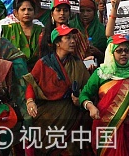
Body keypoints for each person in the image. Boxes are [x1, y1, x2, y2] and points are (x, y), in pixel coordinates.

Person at [26, 25, 92, 156]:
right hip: (47, 117)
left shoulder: (78, 64)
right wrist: (30, 101)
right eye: (68, 38)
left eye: (73, 38)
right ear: (57, 42)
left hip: (71, 117)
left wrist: (81, 100)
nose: (73, 41)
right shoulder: (43, 63)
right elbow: (31, 84)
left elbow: (88, 89)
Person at [79, 34, 129, 156]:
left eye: (126, 50)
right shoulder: (101, 74)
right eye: (119, 51)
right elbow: (84, 94)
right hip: (105, 127)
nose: (123, 54)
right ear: (111, 54)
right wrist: (90, 106)